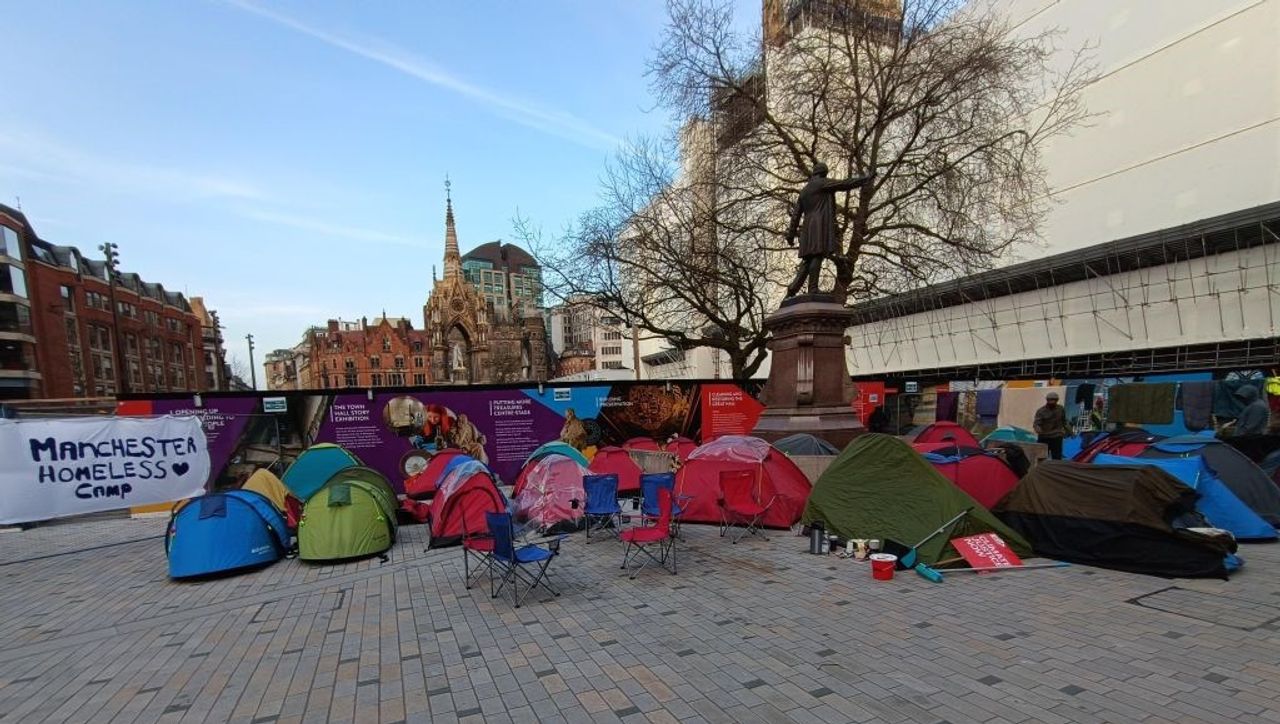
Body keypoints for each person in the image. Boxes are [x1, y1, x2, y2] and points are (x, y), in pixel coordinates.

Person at [785, 162, 875, 297]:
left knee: (808, 260)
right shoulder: (822, 183)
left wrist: (791, 235)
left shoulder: (804, 191)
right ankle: (813, 288)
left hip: (807, 227)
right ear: (824, 173)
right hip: (819, 224)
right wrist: (865, 179)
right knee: (817, 255)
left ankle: (793, 289)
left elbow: (796, 214)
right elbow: (845, 184)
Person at [1033, 391, 1069, 460]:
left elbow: (1064, 421)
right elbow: (1036, 423)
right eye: (1050, 400)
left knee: (1057, 458)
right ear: (1047, 400)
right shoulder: (1041, 411)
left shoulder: (1060, 409)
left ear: (1057, 400)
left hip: (1057, 436)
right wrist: (1038, 429)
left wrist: (1069, 431)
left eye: (1054, 400)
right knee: (1041, 457)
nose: (1052, 402)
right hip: (1044, 436)